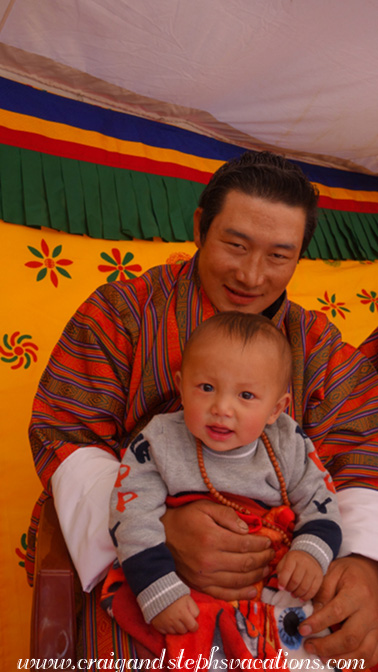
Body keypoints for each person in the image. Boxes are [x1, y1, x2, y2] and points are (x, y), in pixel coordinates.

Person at [29, 150, 378, 665]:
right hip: (146, 574)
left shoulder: (320, 348)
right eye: (235, 245)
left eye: (279, 256)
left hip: (283, 583)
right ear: (199, 226)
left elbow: (362, 457)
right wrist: (155, 532)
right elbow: (64, 435)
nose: (252, 276)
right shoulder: (119, 316)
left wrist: (364, 562)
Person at [109, 311, 342, 657]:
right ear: (181, 385)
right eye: (206, 388)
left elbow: (321, 501)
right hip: (181, 585)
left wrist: (310, 553)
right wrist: (158, 589)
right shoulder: (159, 441)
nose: (221, 408)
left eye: (246, 396)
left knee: (310, 637)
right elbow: (130, 516)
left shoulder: (287, 442)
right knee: (180, 643)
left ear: (277, 408)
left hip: (272, 580)